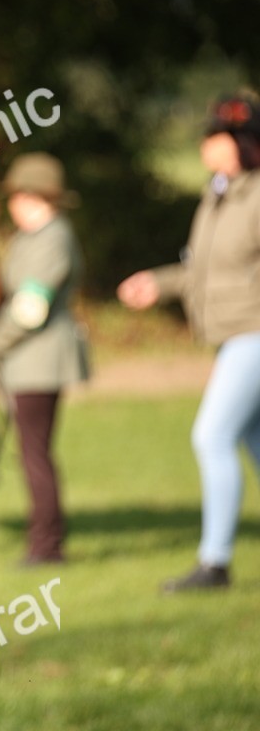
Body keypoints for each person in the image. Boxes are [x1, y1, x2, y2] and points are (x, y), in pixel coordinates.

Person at [118, 94, 260, 592]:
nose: (205, 143)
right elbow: (203, 271)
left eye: (215, 136)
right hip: (231, 336)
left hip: (254, 335)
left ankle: (215, 563)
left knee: (212, 435)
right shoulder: (217, 194)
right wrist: (157, 283)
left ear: (241, 143)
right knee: (253, 442)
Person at [0, 153, 89, 565]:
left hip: (40, 363)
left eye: (18, 196)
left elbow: (29, 309)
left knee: (35, 455)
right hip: (26, 364)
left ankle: (47, 545)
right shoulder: (30, 238)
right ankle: (44, 539)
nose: (11, 204)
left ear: (35, 196)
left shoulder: (53, 239)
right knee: (32, 453)